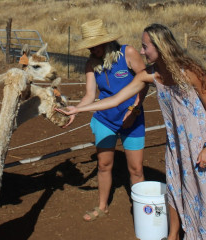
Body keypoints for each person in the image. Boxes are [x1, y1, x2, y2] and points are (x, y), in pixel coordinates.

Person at [57, 23, 206, 239]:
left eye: (145, 46)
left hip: (198, 141)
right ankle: (173, 235)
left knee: (203, 190)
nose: (141, 51)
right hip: (175, 141)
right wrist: (79, 108)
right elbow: (115, 99)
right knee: (176, 188)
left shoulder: (191, 71)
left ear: (160, 46)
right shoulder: (150, 75)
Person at [64, 19, 149, 222]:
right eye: (90, 47)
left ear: (106, 41)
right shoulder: (91, 64)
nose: (93, 50)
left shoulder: (128, 54)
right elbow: (90, 95)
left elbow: (144, 81)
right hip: (105, 120)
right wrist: (77, 109)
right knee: (103, 164)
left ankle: (143, 209)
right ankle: (103, 206)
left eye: (96, 45)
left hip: (132, 118)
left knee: (136, 169)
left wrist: (135, 109)